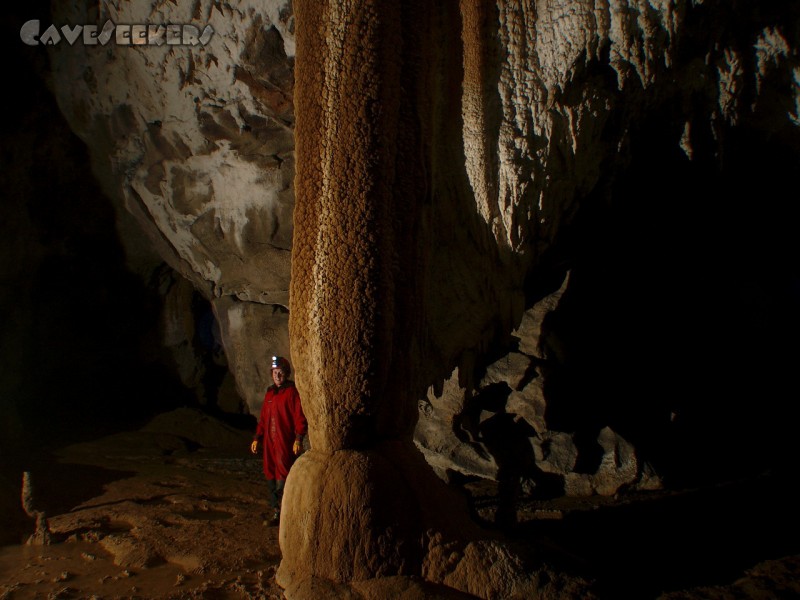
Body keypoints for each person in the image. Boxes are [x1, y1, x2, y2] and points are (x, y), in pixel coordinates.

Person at [250, 355, 307, 526]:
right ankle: (276, 509)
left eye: (280, 372)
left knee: (283, 472)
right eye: (275, 372)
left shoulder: (291, 393)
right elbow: (263, 420)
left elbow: (299, 417)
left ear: (286, 373)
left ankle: (282, 513)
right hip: (269, 443)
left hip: (283, 441)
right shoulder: (270, 393)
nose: (277, 376)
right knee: (270, 471)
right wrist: (257, 438)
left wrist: (298, 438)